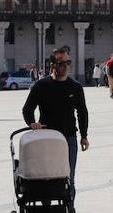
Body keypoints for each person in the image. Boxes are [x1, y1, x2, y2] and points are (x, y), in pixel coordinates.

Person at [22, 48, 90, 185]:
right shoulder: (41, 85)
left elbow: (82, 112)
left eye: (68, 62)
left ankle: (69, 206)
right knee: (46, 175)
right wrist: (32, 123)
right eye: (61, 63)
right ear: (52, 65)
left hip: (68, 137)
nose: (65, 66)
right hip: (46, 137)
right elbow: (27, 109)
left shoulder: (75, 87)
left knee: (69, 177)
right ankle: (46, 205)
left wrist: (84, 135)